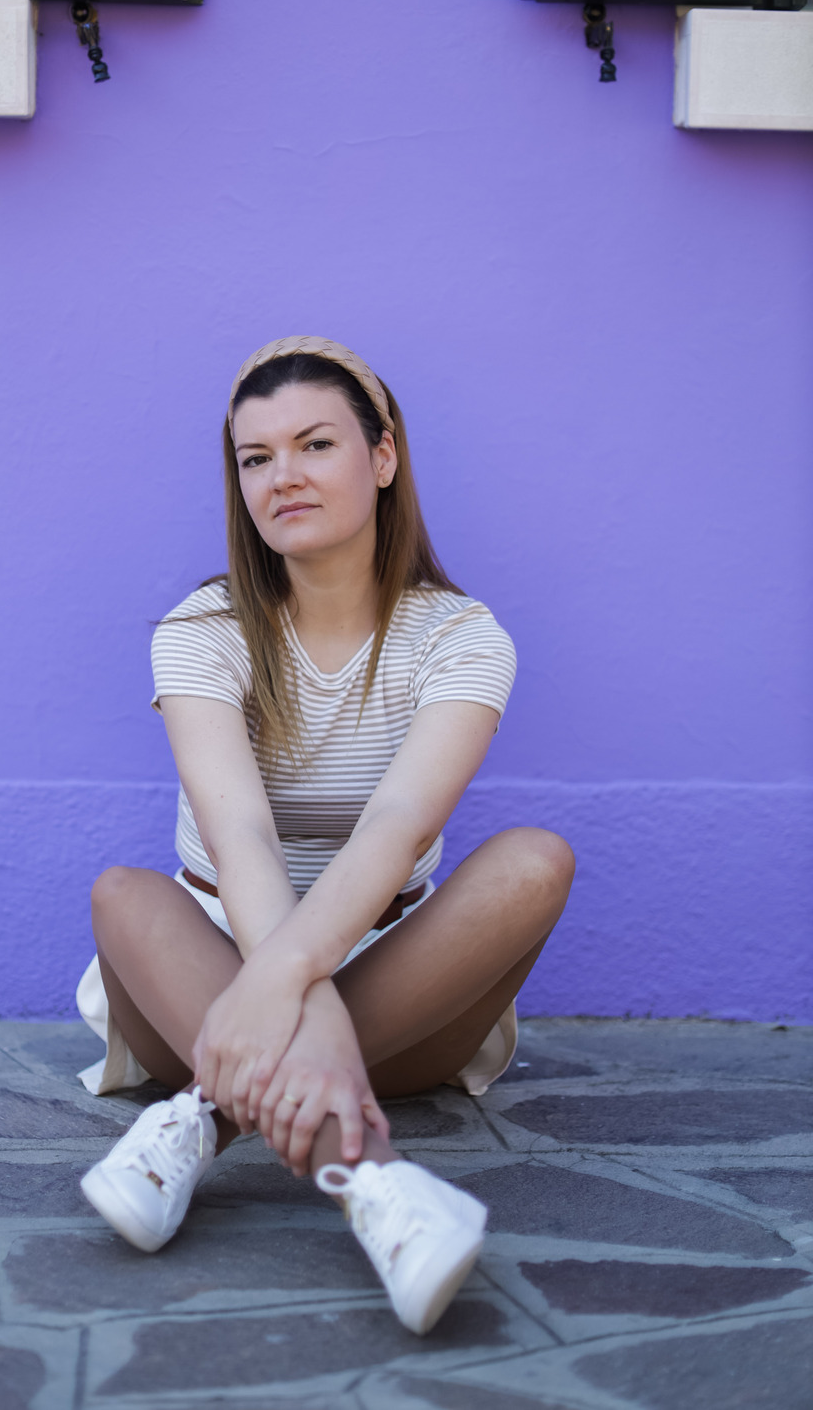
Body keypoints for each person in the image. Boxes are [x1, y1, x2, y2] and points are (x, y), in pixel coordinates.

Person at [75, 336, 574, 1335]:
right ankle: (377, 1185)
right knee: (124, 895)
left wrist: (275, 992)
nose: (282, 477)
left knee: (534, 863)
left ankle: (207, 1118)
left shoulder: (461, 638)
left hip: (388, 988)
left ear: (382, 456)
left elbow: (396, 828)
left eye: (313, 444)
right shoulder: (199, 632)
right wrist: (261, 982)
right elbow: (241, 835)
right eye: (255, 458)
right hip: (202, 990)